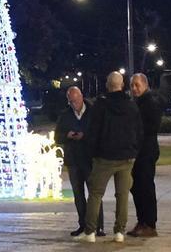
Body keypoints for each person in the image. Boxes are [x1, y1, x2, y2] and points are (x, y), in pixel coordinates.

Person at [83, 71, 141, 244]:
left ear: (108, 85)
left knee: (95, 194)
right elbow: (139, 131)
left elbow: (93, 132)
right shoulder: (131, 106)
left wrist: (92, 152)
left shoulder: (100, 106)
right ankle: (119, 231)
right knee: (122, 195)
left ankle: (90, 231)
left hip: (104, 157)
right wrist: (134, 150)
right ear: (122, 85)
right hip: (126, 157)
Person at [54, 86, 105, 238]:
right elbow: (57, 136)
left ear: (81, 97)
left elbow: (99, 132)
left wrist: (85, 136)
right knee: (78, 194)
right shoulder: (65, 115)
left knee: (94, 193)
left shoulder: (93, 112)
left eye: (75, 101)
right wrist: (67, 135)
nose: (73, 104)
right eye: (70, 102)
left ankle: (98, 226)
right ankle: (83, 225)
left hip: (89, 158)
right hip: (73, 160)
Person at [127, 73, 161, 238]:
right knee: (137, 188)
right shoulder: (137, 103)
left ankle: (149, 223)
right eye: (132, 85)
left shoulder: (149, 103)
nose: (134, 88)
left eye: (137, 85)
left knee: (145, 188)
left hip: (146, 152)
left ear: (145, 85)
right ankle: (142, 221)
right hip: (137, 152)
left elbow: (150, 127)